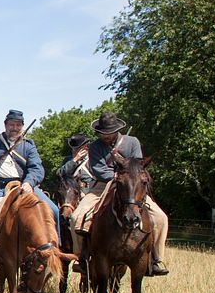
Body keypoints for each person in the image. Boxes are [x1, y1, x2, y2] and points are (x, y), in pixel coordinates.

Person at [69, 111, 169, 275]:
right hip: (103, 185)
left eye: (109, 132)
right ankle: (81, 257)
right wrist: (118, 176)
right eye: (103, 133)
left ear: (116, 130)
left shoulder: (132, 142)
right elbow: (99, 170)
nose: (106, 136)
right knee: (76, 217)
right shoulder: (94, 147)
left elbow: (137, 165)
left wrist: (127, 178)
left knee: (161, 218)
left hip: (132, 186)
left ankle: (156, 260)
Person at [0, 109, 60, 233]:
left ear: (22, 126)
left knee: (53, 210)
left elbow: (36, 168)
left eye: (18, 125)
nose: (15, 128)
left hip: (23, 185)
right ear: (5, 124)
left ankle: (54, 247)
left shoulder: (29, 145)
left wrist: (29, 183)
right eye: (12, 124)